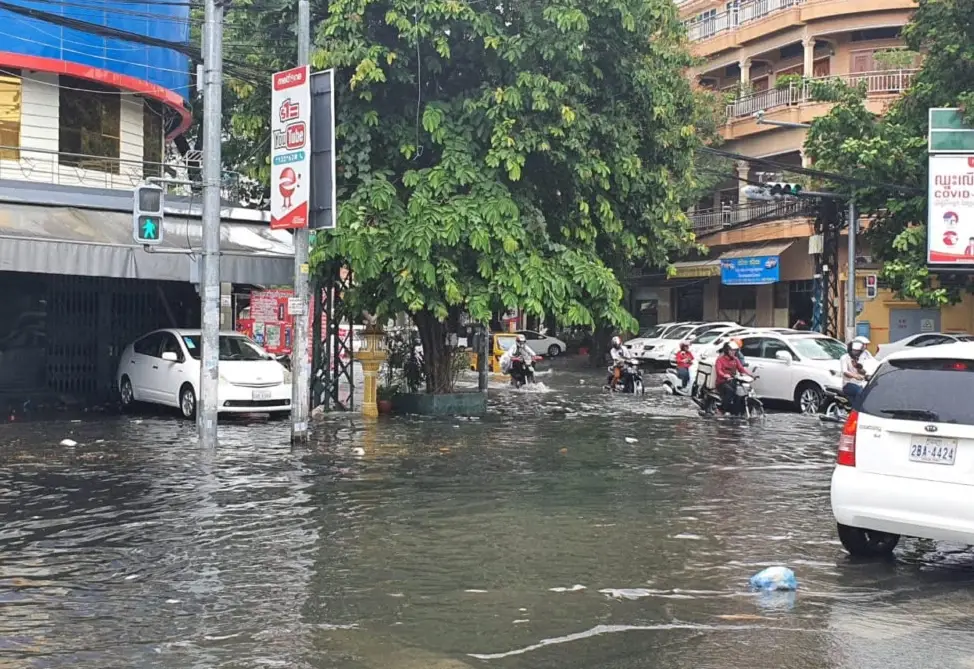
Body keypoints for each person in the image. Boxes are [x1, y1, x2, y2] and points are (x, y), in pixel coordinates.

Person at [714, 341, 748, 414]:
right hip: (722, 382)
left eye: (734, 351)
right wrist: (724, 375)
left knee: (741, 393)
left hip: (733, 381)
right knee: (730, 391)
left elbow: (741, 369)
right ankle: (722, 409)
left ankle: (737, 411)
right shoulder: (720, 359)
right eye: (731, 350)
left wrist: (750, 375)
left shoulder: (735, 359)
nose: (733, 352)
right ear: (727, 350)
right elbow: (718, 370)